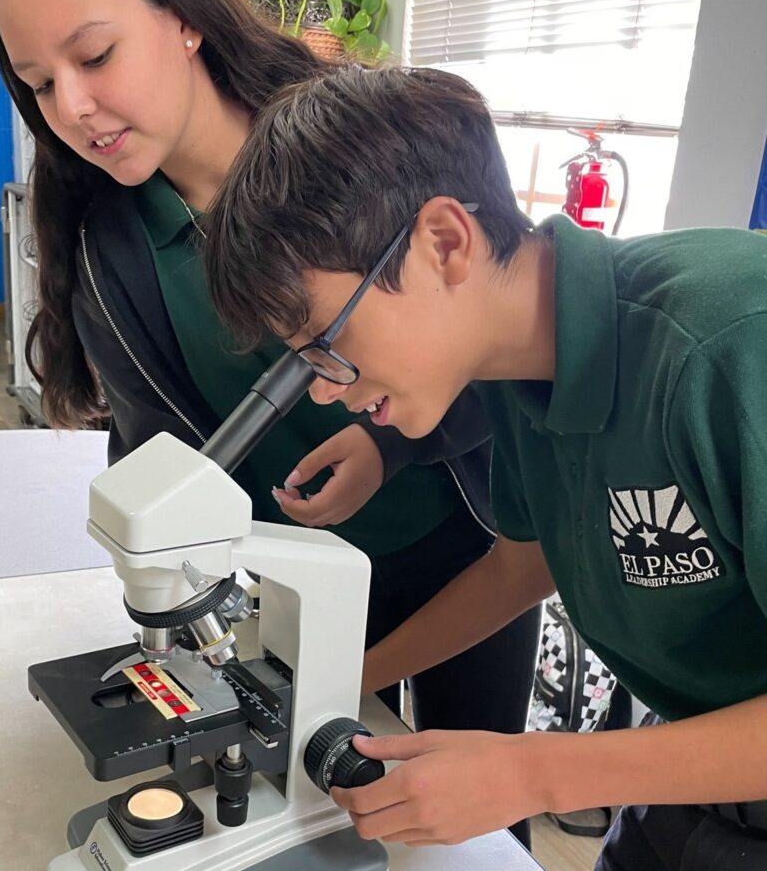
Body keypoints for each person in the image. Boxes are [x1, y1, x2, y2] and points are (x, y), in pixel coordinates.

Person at [0, 0, 541, 843]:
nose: (71, 106)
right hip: (298, 589)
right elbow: (155, 451)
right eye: (38, 84)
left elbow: (509, 331)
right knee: (341, 821)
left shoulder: (359, 138)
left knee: (472, 828)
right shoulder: (112, 238)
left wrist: (391, 449)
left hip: (471, 551)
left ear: (186, 17)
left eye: (95, 55)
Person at [202, 63, 767, 868]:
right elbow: (519, 568)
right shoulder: (516, 374)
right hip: (695, 774)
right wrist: (333, 686)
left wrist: (534, 773)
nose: (326, 391)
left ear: (444, 243)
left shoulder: (729, 343)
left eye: (327, 345)